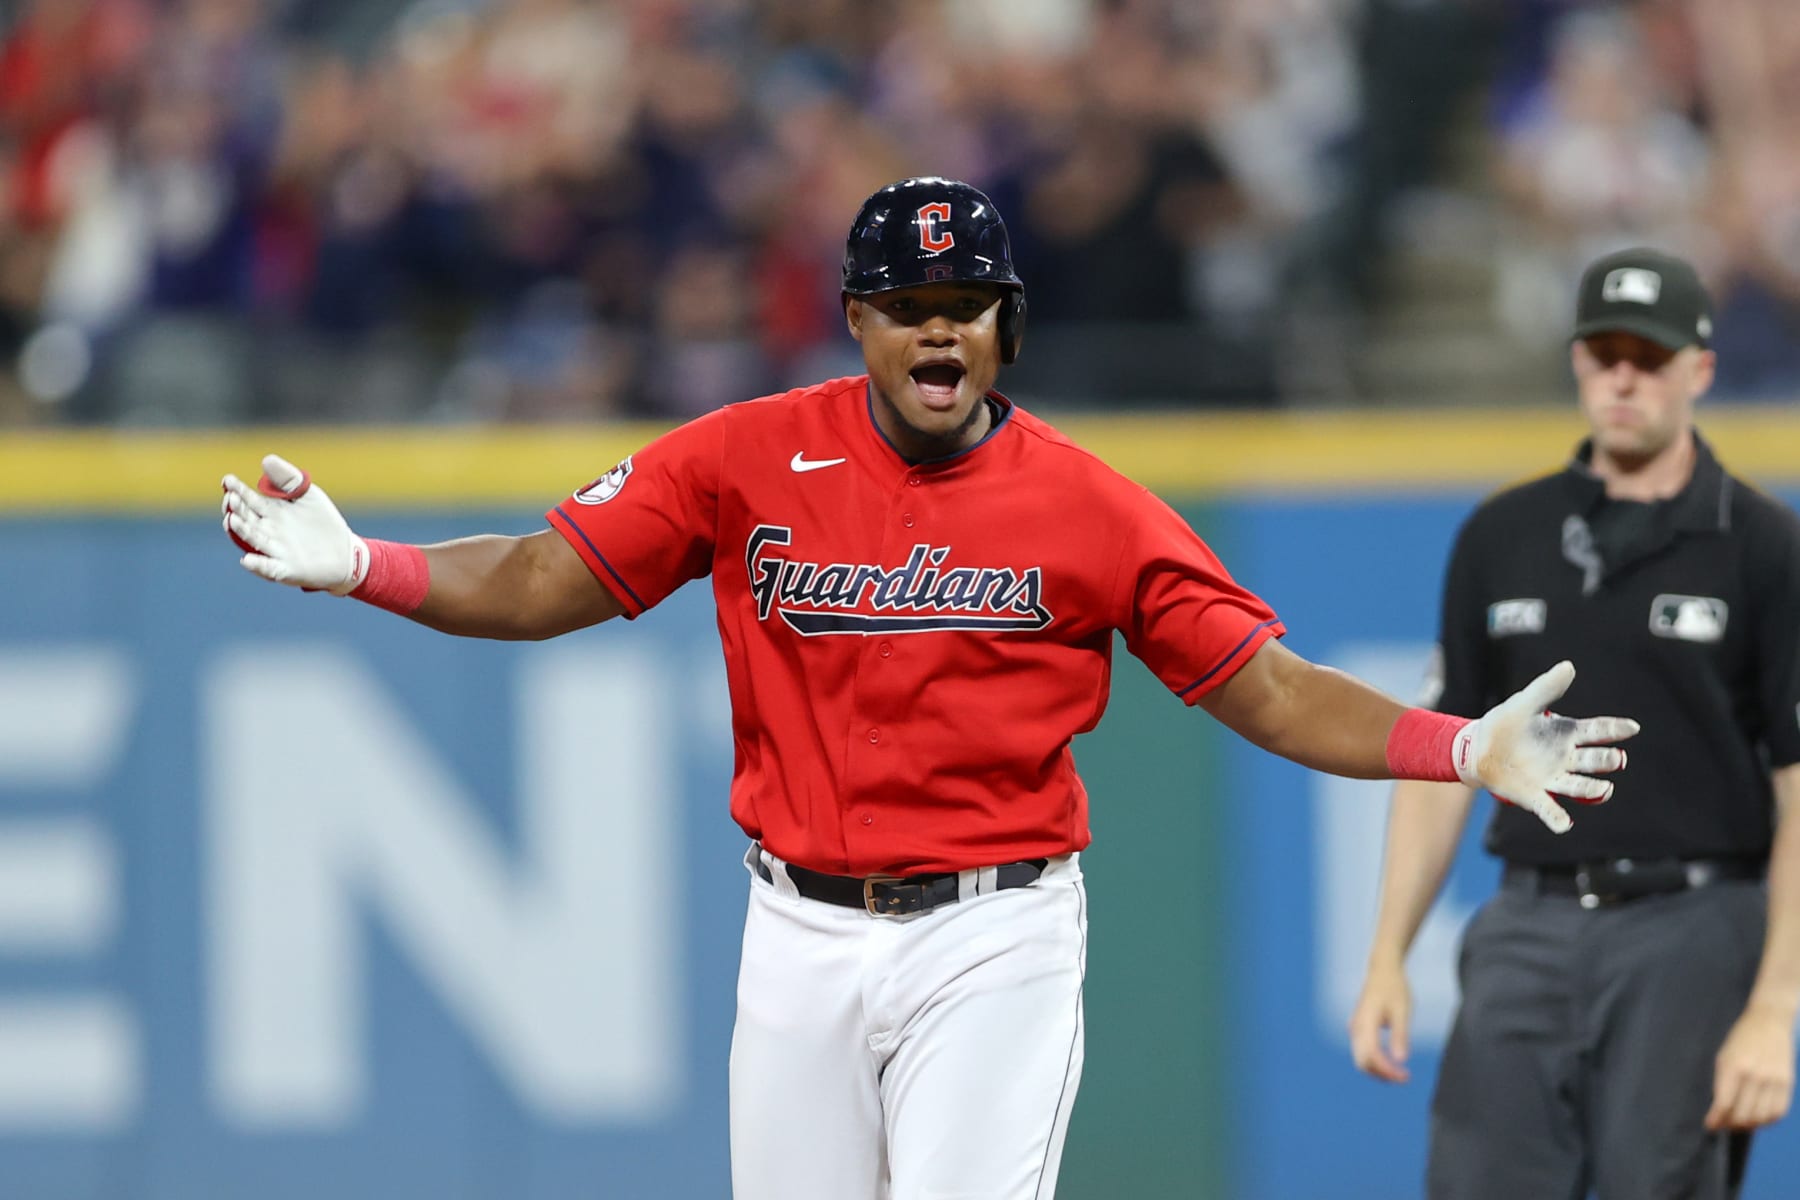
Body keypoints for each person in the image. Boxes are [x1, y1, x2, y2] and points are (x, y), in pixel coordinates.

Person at [222, 177, 1639, 1200]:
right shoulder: (745, 456)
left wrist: (1454, 749)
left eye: (967, 304)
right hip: (795, 933)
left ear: (1006, 323)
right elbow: (545, 581)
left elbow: (1262, 688)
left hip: (993, 939)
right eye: (911, 306)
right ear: (858, 319)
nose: (939, 332)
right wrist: (369, 567)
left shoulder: (1089, 508)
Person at [1348, 246, 1800, 1200]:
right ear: (1578, 361)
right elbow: (1446, 755)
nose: (1625, 375)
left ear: (1700, 370)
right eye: (1605, 352)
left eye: (1651, 352)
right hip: (1527, 918)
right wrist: (1388, 951)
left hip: (1694, 925)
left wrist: (1774, 1005)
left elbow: (1799, 785)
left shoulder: (1762, 545)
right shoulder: (1502, 534)